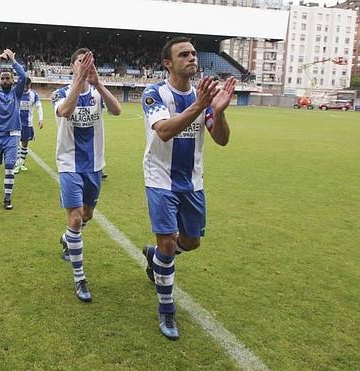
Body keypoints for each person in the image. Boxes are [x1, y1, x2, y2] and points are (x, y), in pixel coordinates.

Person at [140, 37, 235, 340]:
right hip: (160, 179)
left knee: (191, 242)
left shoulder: (202, 97)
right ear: (168, 63)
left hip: (192, 182)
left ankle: (154, 255)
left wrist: (217, 113)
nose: (192, 58)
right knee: (169, 244)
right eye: (184, 54)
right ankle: (167, 312)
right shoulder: (154, 93)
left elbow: (222, 140)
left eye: (194, 53)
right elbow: (165, 131)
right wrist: (200, 106)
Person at [53, 48, 121, 302]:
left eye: (89, 63)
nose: (85, 66)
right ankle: (80, 279)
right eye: (81, 63)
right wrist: (78, 82)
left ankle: (66, 240)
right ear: (72, 67)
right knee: (75, 218)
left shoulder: (96, 95)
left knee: (87, 215)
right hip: (69, 164)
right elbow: (66, 111)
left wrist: (98, 84)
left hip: (94, 165)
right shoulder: (60, 94)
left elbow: (117, 111)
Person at [0, 49, 26, 210]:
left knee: (9, 165)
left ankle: (7, 198)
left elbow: (24, 77)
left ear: (13, 80)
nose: (5, 80)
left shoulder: (17, 93)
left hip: (12, 135)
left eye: (8, 78)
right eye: (2, 78)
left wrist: (14, 61)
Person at [14, 78, 43, 174]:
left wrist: (41, 119)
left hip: (28, 124)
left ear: (30, 85)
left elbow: (39, 107)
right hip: (16, 123)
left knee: (25, 144)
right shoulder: (16, 92)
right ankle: (17, 164)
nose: (26, 87)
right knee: (16, 143)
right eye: (24, 85)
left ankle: (21, 163)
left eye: (27, 85)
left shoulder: (33, 94)